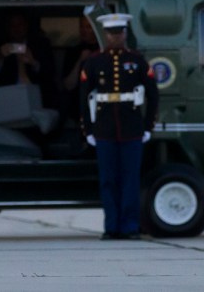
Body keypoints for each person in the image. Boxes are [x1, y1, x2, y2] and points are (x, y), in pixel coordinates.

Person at [79, 13, 159, 240]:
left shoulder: (137, 60)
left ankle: (130, 227)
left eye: (119, 32)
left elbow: (153, 95)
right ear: (105, 34)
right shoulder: (94, 62)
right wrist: (88, 130)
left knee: (130, 180)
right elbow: (84, 98)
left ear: (125, 33)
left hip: (131, 129)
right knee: (108, 180)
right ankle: (111, 226)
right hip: (104, 130)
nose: (116, 37)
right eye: (112, 33)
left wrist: (147, 126)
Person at [0, 12, 57, 108]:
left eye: (20, 24)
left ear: (26, 26)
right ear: (8, 28)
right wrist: (0, 56)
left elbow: (50, 72)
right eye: (12, 25)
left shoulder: (41, 44)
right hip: (9, 95)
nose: (16, 29)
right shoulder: (0, 45)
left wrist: (33, 62)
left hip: (37, 93)